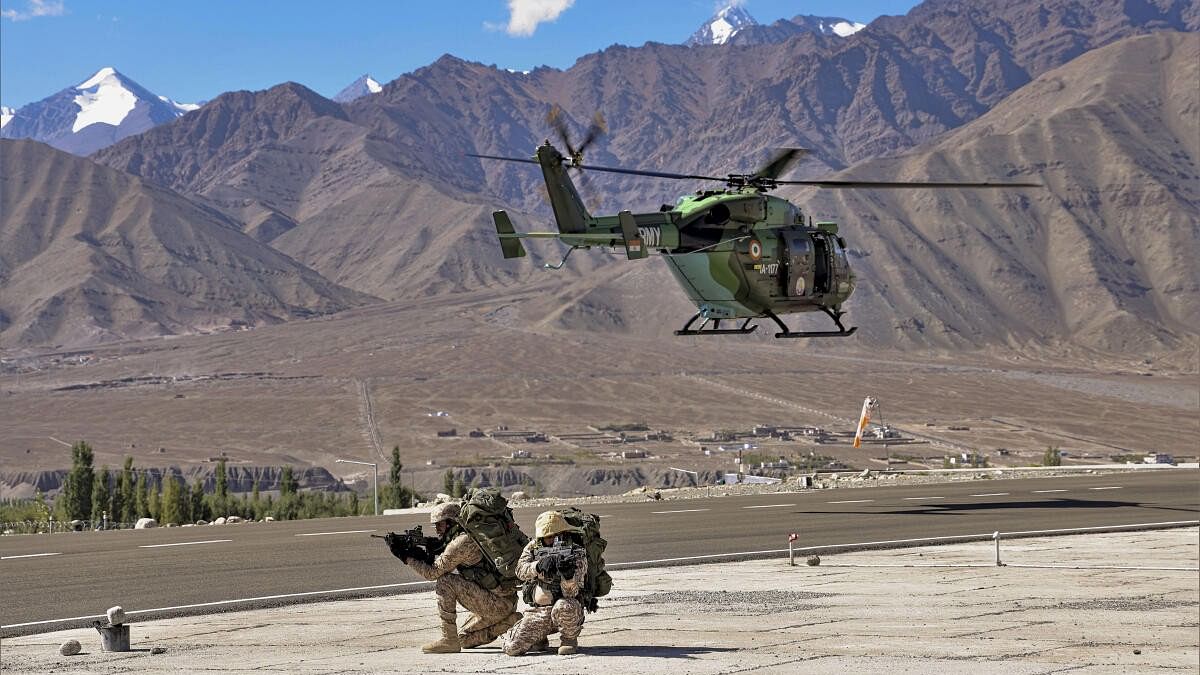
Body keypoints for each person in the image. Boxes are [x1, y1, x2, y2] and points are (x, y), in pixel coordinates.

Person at [390, 502, 521, 653]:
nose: (437, 529)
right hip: (504, 600)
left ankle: (448, 640)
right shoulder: (471, 535)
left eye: (440, 524)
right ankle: (511, 622)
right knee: (464, 639)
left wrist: (406, 557)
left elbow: (432, 573)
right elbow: (443, 552)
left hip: (496, 603)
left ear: (452, 522)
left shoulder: (460, 543)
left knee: (445, 582)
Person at [503, 510, 587, 656]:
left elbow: (573, 591)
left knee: (565, 605)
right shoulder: (534, 547)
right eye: (547, 536)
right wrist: (537, 565)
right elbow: (520, 571)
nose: (550, 540)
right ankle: (539, 637)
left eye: (554, 536)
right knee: (512, 648)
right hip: (540, 611)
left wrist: (568, 576)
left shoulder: (576, 552)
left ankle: (569, 639)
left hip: (565, 610)